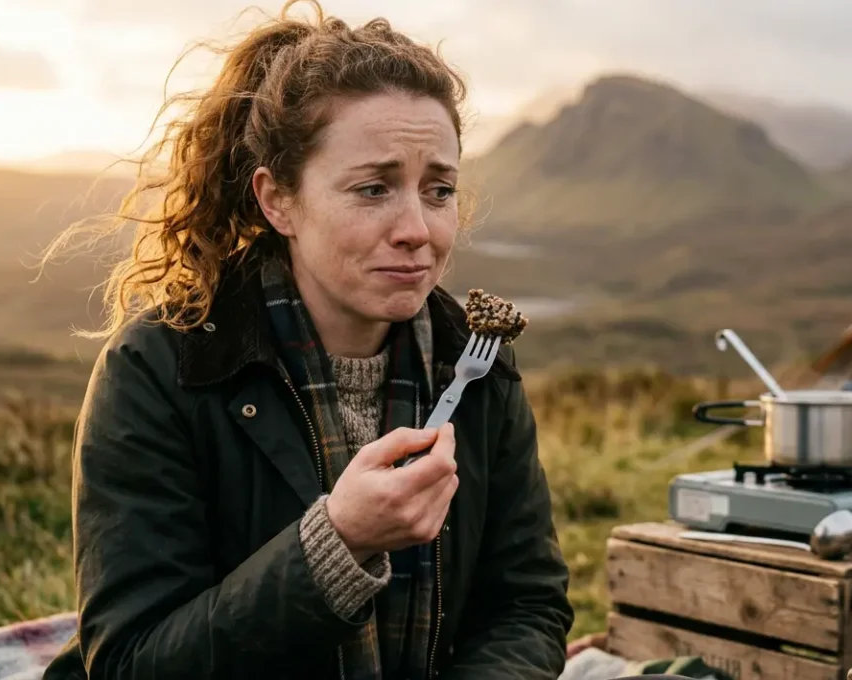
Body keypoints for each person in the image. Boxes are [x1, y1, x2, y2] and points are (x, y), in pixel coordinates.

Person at [40, 2, 578, 678]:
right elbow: (130, 662)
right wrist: (337, 543)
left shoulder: (474, 363)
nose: (418, 228)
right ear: (278, 200)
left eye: (438, 190)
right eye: (374, 188)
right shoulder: (161, 368)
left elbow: (525, 606)